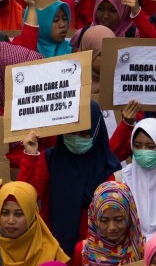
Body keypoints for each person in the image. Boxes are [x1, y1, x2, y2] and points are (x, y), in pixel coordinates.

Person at [19, 101, 121, 253]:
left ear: (97, 132)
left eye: (85, 133)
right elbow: (26, 197)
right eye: (72, 131)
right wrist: (31, 155)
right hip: (53, 249)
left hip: (94, 253)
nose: (76, 138)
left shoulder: (109, 168)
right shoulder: (50, 159)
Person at [0, 182, 69, 266]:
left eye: (19, 214)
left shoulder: (53, 254)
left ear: (32, 214)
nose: (11, 221)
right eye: (4, 213)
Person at [75, 181, 143, 266]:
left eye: (119, 219)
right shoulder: (83, 252)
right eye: (104, 220)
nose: (112, 227)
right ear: (95, 219)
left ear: (129, 216)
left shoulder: (142, 249)